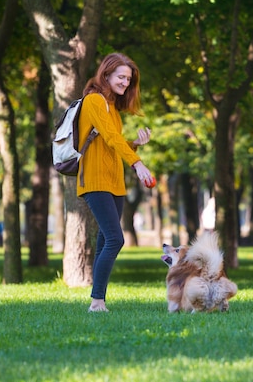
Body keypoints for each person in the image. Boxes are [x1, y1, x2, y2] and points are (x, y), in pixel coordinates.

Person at [77, 53, 153, 312]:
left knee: (104, 241)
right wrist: (137, 162)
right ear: (106, 74)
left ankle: (98, 301)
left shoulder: (113, 109)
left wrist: (134, 145)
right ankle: (97, 301)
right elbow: (109, 137)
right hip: (95, 181)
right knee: (114, 239)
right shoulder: (94, 100)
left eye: (128, 79)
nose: (125, 83)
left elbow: (113, 142)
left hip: (114, 182)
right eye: (121, 77)